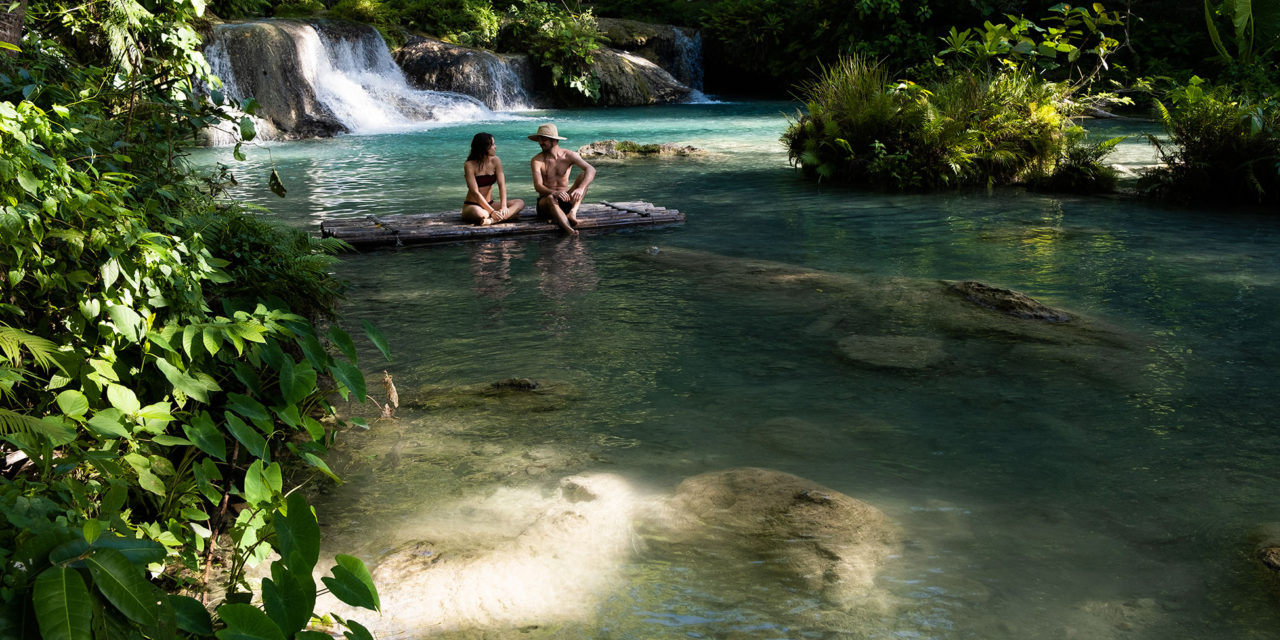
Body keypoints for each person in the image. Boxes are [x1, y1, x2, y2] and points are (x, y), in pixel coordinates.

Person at [529, 123, 596, 236]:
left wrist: (580, 188)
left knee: (583, 176)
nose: (540, 143)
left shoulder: (569, 155)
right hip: (546, 204)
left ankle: (572, 212)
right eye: (539, 140)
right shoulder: (537, 160)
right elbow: (538, 186)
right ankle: (569, 231)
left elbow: (591, 169)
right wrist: (555, 193)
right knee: (550, 197)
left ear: (554, 140)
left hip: (566, 200)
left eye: (543, 140)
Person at [462, 132, 524, 226]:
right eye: (492, 144)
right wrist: (492, 212)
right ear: (483, 147)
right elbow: (475, 192)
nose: (495, 147)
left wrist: (503, 207)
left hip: (490, 203)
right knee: (482, 214)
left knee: (520, 203)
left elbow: (502, 185)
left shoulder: (496, 161)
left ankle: (491, 221)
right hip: (473, 205)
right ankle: (507, 217)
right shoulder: (469, 165)